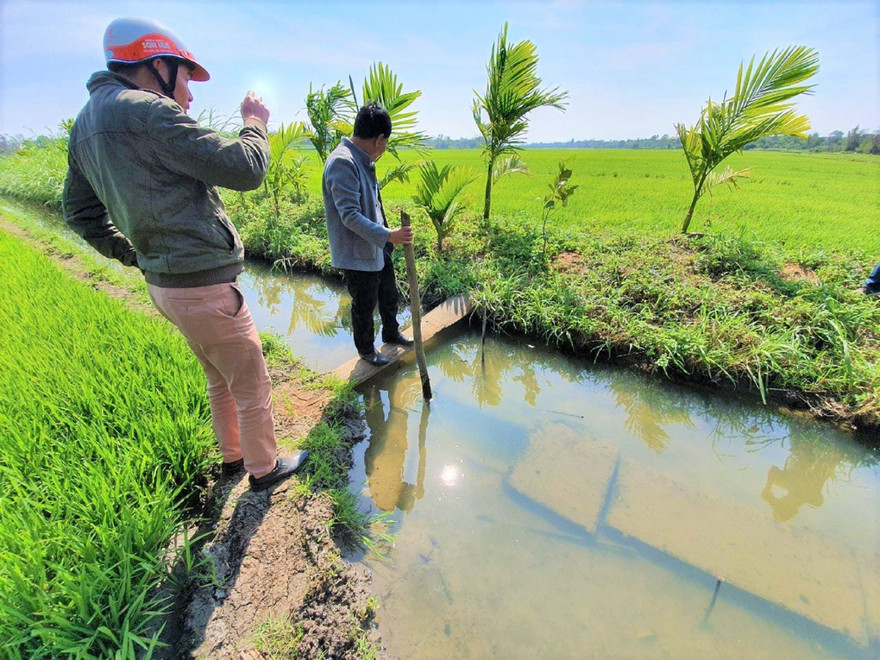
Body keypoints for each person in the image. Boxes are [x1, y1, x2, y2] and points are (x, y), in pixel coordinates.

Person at [62, 17, 306, 492]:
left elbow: (78, 212)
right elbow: (245, 168)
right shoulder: (146, 112)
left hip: (165, 286)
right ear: (156, 65)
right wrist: (255, 122)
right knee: (252, 383)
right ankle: (264, 469)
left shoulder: (86, 123)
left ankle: (235, 455)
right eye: (185, 79)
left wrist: (135, 255)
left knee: (219, 375)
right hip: (203, 285)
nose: (190, 96)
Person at [322, 104, 414, 367]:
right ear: (379, 139)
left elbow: (373, 203)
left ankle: (391, 332)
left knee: (388, 293)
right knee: (364, 305)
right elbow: (349, 215)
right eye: (385, 143)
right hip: (357, 253)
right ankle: (366, 350)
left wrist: (387, 239)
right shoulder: (343, 161)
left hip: (378, 246)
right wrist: (388, 235)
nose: (384, 148)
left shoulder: (363, 160)